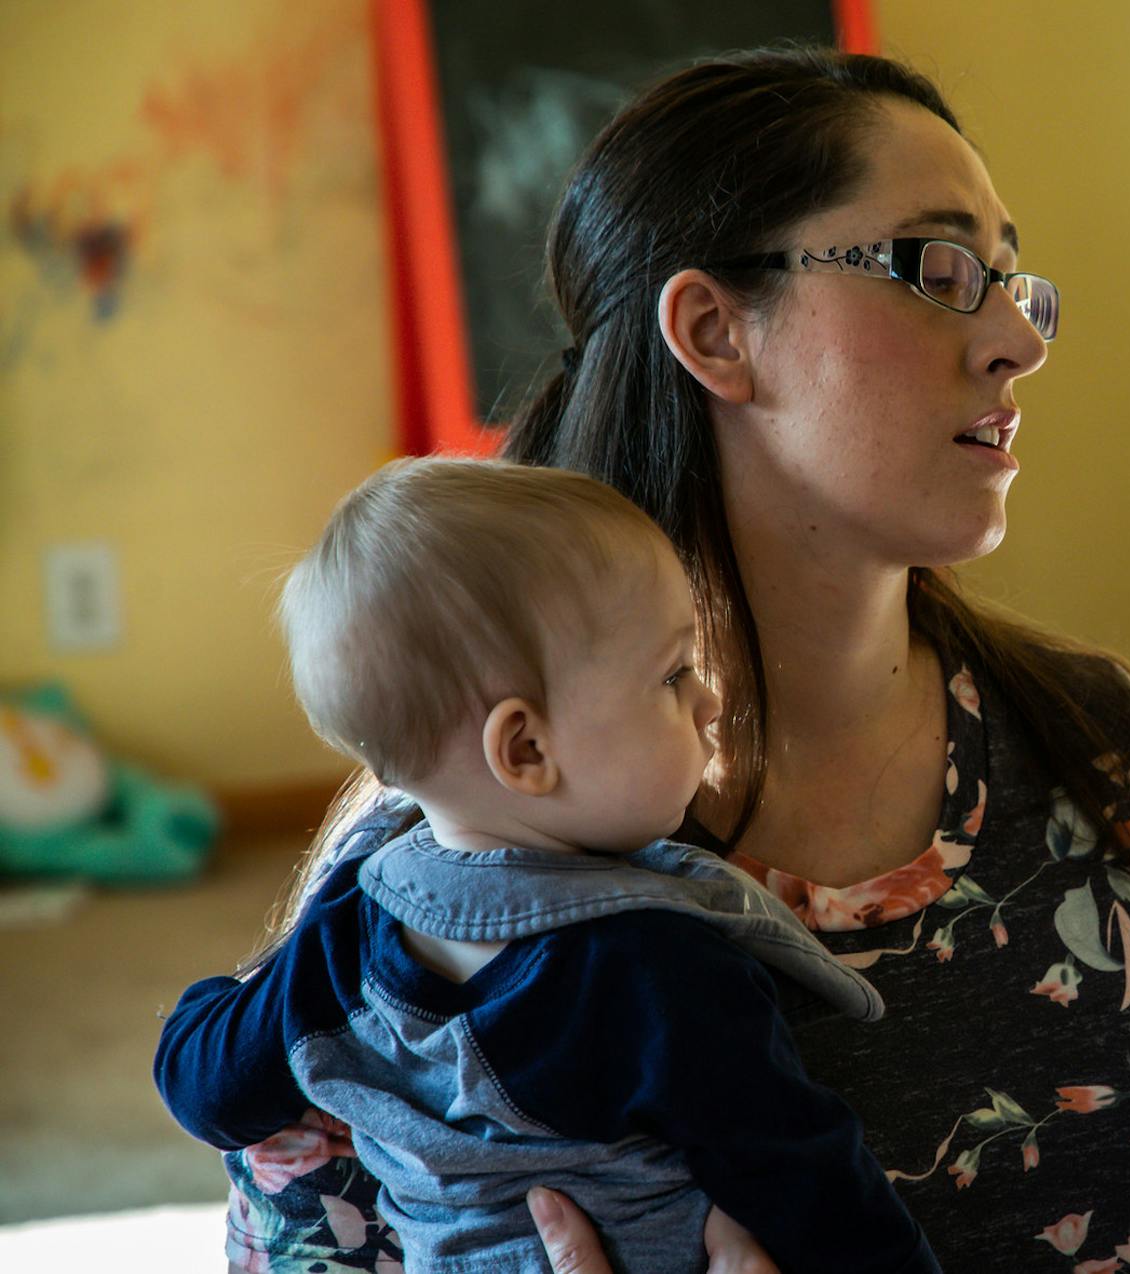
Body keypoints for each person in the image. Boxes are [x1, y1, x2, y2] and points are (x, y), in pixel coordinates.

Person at [213, 48, 1130, 1274]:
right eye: (939, 269)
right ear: (713, 330)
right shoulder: (444, 866)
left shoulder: (1099, 746)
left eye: (1009, 277)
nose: (1017, 338)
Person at [156, 458, 940, 1273]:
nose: (709, 700)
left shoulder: (347, 933)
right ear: (526, 748)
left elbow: (206, 1088)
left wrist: (210, 1003)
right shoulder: (655, 969)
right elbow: (813, 1187)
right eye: (673, 675)